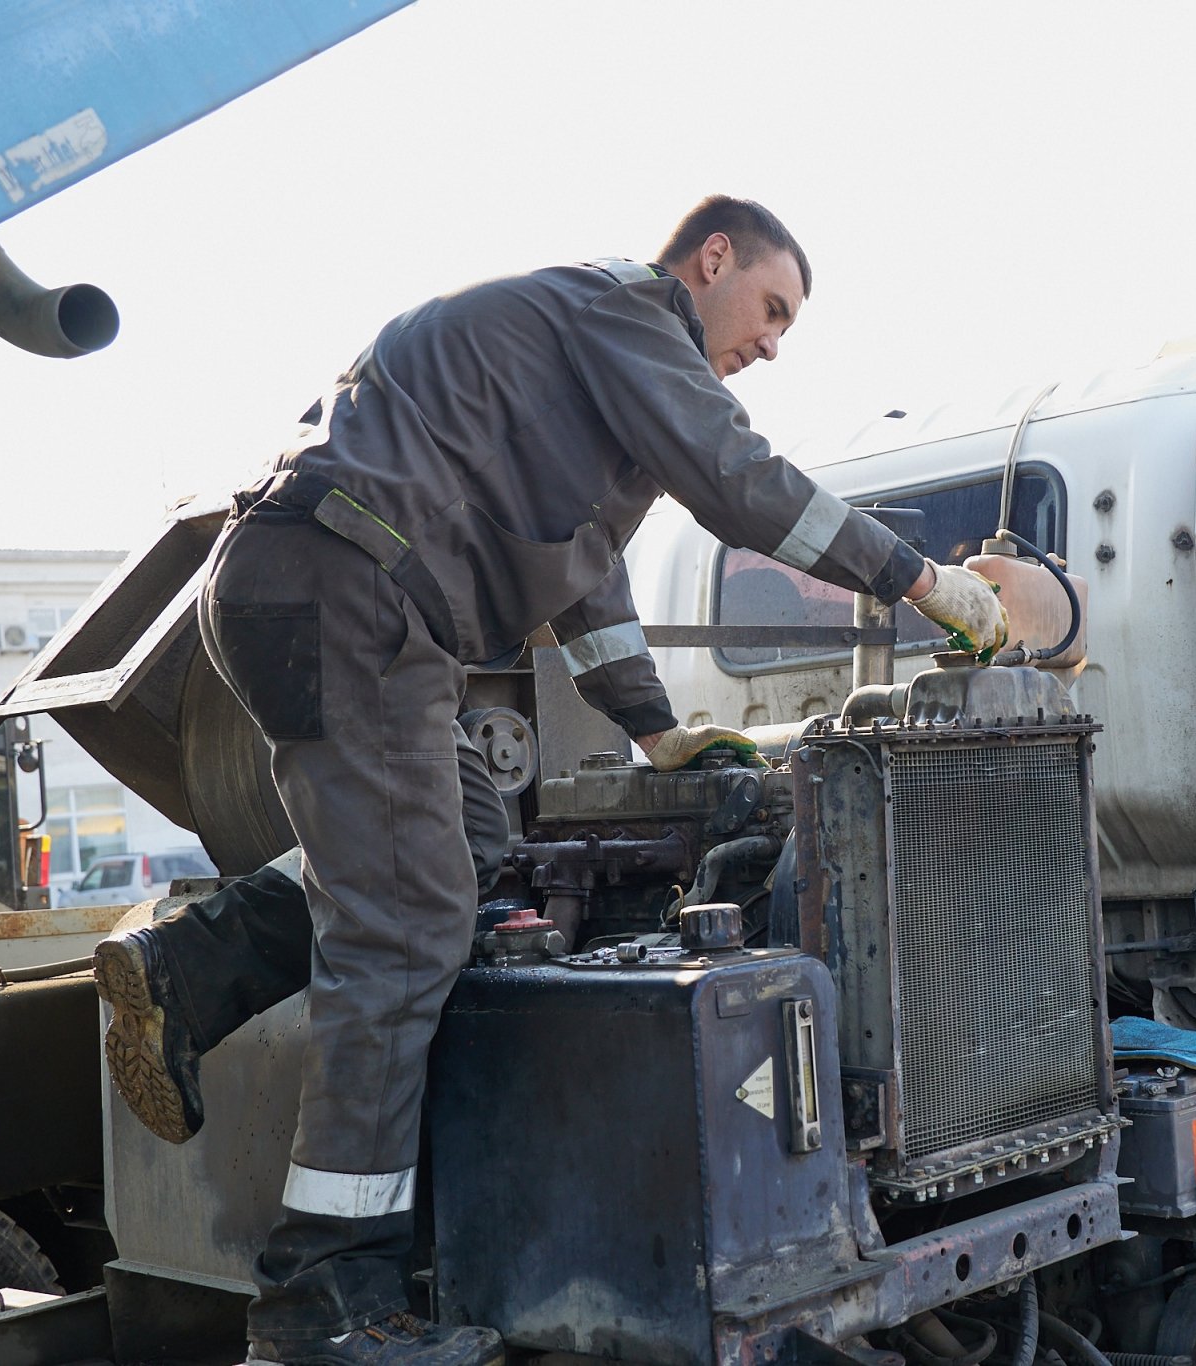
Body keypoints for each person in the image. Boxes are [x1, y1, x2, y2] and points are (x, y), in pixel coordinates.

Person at [92, 195, 1005, 1366]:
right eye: (771, 307)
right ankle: (323, 1304)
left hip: (320, 590)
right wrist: (916, 579)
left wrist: (654, 731)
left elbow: (583, 571)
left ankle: (193, 963)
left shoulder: (575, 363)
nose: (773, 342)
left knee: (469, 847)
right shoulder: (627, 308)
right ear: (709, 259)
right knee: (407, 928)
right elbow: (741, 482)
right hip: (350, 590)